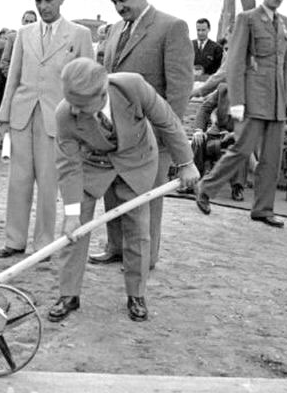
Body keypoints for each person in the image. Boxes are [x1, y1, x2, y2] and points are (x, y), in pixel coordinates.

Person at [48, 58, 198, 323]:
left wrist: (186, 164)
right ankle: (68, 294)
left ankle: (136, 295)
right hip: (94, 163)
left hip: (137, 159)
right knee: (75, 228)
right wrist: (71, 213)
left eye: (81, 106)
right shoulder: (65, 113)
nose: (74, 110)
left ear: (102, 93)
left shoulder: (133, 87)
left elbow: (168, 123)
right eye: (71, 102)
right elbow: (69, 166)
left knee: (138, 228)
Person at [92, 0, 193, 268]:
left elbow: (179, 89)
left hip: (151, 137)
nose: (119, 7)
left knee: (145, 200)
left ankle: (143, 259)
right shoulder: (114, 31)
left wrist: (165, 136)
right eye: (114, 2)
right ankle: (116, 247)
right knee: (113, 193)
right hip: (115, 134)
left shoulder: (171, 27)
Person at [0, 0, 93, 258]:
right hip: (22, 114)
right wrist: (3, 118)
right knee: (18, 180)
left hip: (58, 119)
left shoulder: (79, 34)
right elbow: (12, 78)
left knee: (49, 183)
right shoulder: (23, 34)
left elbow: (86, 82)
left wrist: (82, 123)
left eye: (48, 0)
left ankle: (44, 244)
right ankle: (14, 240)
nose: (43, 6)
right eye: (38, 0)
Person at [195, 0, 287, 228]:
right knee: (241, 150)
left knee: (272, 158)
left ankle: (263, 208)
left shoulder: (286, 23)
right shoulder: (248, 19)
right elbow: (236, 62)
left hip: (276, 102)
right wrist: (237, 100)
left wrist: (286, 99)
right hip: (252, 99)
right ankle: (205, 188)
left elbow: (284, 66)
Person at [0, 9, 38, 77]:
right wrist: (12, 78)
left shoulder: (39, 40)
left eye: (31, 21)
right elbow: (4, 61)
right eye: (26, 21)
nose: (28, 24)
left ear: (35, 23)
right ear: (22, 21)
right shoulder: (12, 38)